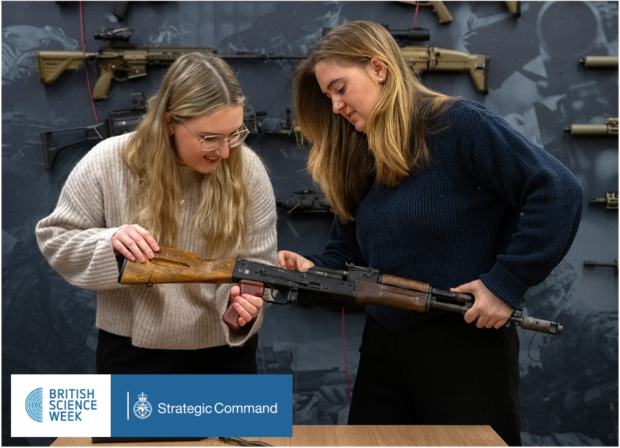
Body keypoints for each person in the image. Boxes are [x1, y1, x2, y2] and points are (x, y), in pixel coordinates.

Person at [278, 21, 583, 446]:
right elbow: (345, 255)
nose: (335, 105)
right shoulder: (361, 153)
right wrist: (310, 273)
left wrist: (505, 284)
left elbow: (558, 190)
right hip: (383, 351)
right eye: (328, 95)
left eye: (340, 88)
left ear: (379, 68)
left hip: (465, 348)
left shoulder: (460, 126)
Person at [36, 53, 277, 375]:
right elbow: (56, 239)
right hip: (130, 353)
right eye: (209, 137)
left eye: (234, 134)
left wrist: (243, 303)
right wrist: (112, 246)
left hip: (225, 350)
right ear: (169, 122)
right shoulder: (109, 160)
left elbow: (258, 266)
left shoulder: (248, 171)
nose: (224, 151)